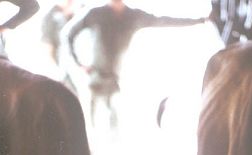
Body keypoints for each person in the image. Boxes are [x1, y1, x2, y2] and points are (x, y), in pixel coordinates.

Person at [66, 0, 205, 127]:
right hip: (95, 76)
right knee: (90, 123)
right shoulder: (95, 13)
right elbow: (69, 34)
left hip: (116, 79)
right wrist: (78, 63)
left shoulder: (133, 16)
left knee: (115, 121)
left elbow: (163, 21)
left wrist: (201, 20)